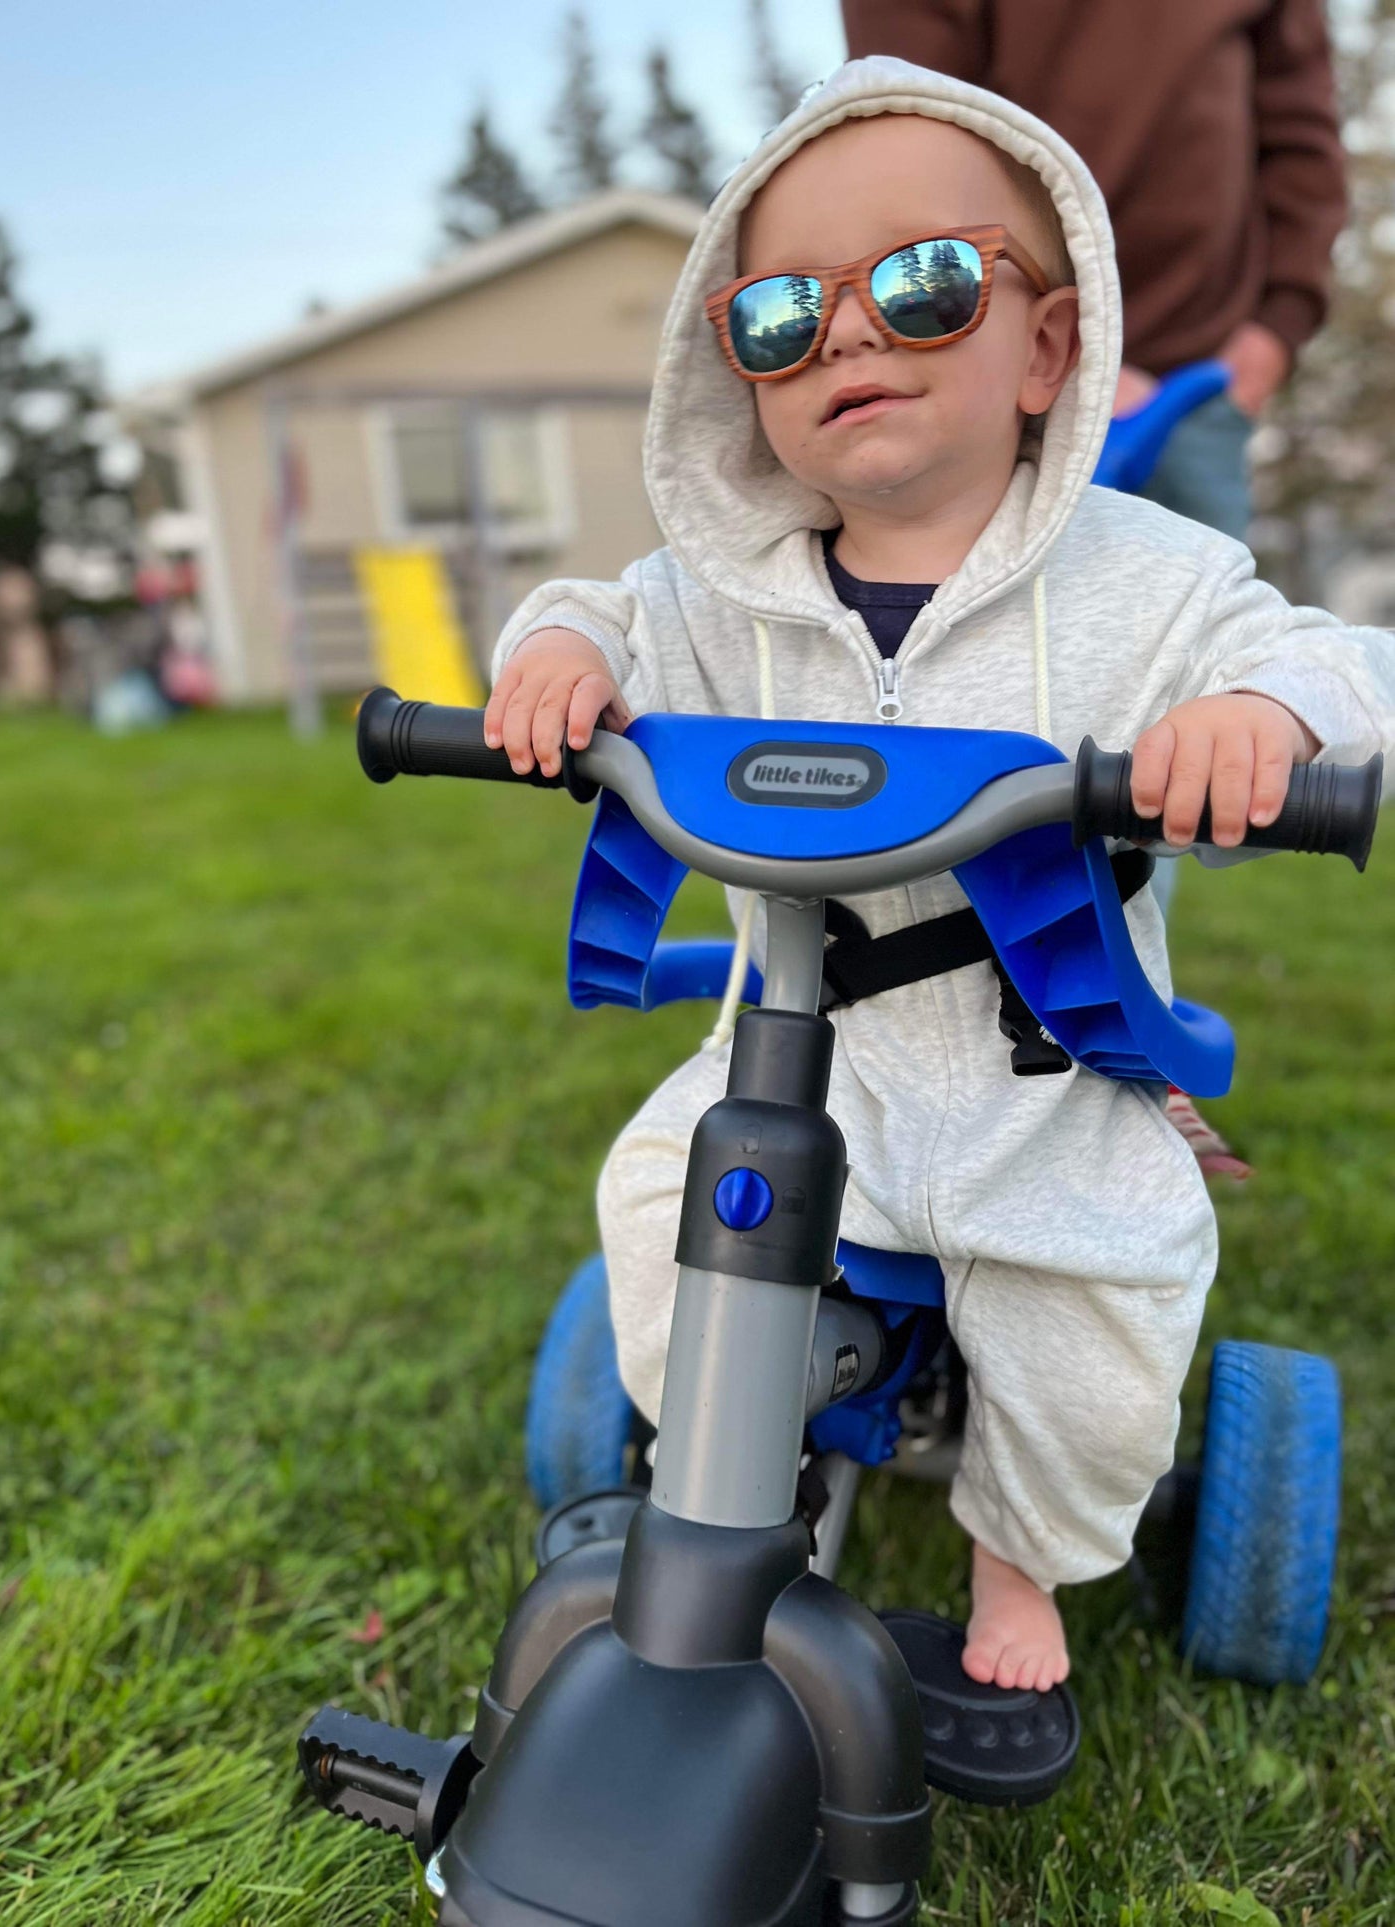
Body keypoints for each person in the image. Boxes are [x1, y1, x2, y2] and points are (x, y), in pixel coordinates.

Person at [482, 61, 1392, 1694]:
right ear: (739, 370)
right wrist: (556, 651)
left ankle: (1016, 1551)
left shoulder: (1151, 580)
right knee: (652, 1201)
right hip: (790, 1061)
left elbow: (1333, 654)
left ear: (1048, 345)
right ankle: (733, 1484)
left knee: (1100, 1343)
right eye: (780, 314)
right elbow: (603, 616)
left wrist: (1262, 714)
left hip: (1042, 1083)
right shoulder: (722, 596)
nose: (845, 333)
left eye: (922, 286)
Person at [840, 0, 1348, 543]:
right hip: (1014, 393)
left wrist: (1273, 334)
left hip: (1201, 386)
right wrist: (1058, 359)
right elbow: (911, 142)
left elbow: (1301, 135)